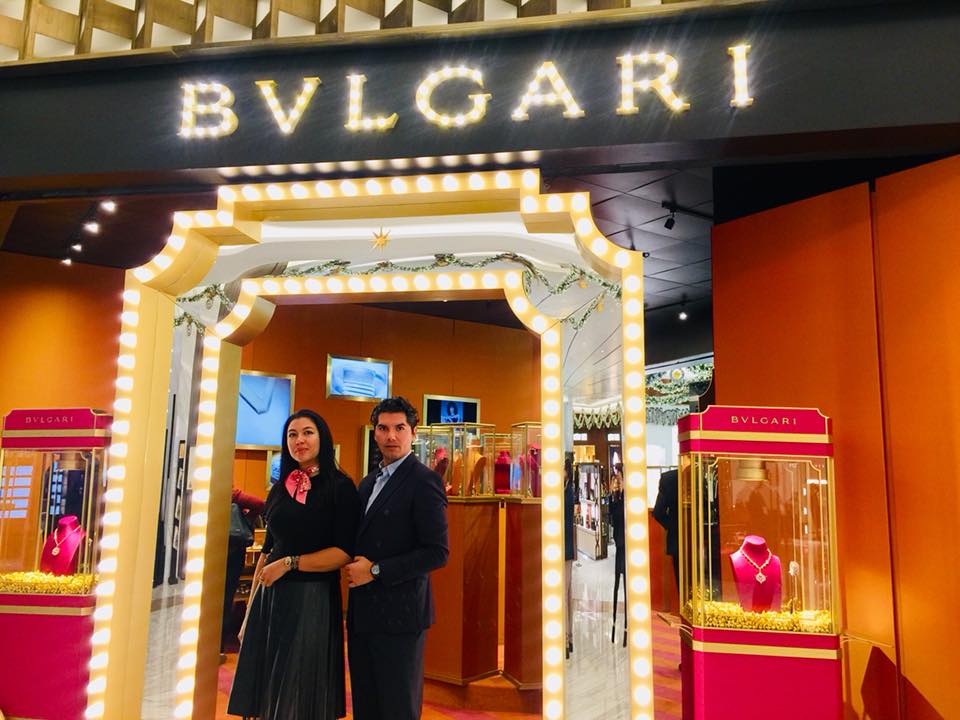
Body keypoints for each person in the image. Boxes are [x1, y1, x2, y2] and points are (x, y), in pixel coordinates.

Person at [227, 409, 359, 720]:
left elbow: (343, 552)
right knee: (267, 692)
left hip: (311, 598)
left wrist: (290, 564)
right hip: (270, 599)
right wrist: (250, 609)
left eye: (308, 432)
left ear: (322, 438)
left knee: (298, 692)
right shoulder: (281, 488)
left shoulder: (340, 487)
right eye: (292, 434)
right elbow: (267, 551)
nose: (300, 440)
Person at [345, 397, 449, 720]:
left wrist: (376, 570)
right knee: (366, 707)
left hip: (401, 618)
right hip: (363, 615)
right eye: (383, 428)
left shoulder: (424, 481)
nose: (391, 435)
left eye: (399, 428)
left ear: (413, 433)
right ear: (375, 433)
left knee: (398, 709)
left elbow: (437, 552)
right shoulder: (367, 483)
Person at [222, 487, 265, 653]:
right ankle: (219, 642)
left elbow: (260, 504)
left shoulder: (230, 494)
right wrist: (247, 520)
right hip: (233, 552)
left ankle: (218, 641)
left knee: (222, 599)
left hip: (224, 552)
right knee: (226, 597)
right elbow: (259, 504)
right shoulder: (233, 494)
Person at [652, 468, 680, 589]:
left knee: (682, 584)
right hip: (705, 540)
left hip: (678, 540)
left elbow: (658, 512)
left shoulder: (669, 479)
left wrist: (674, 526)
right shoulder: (704, 474)